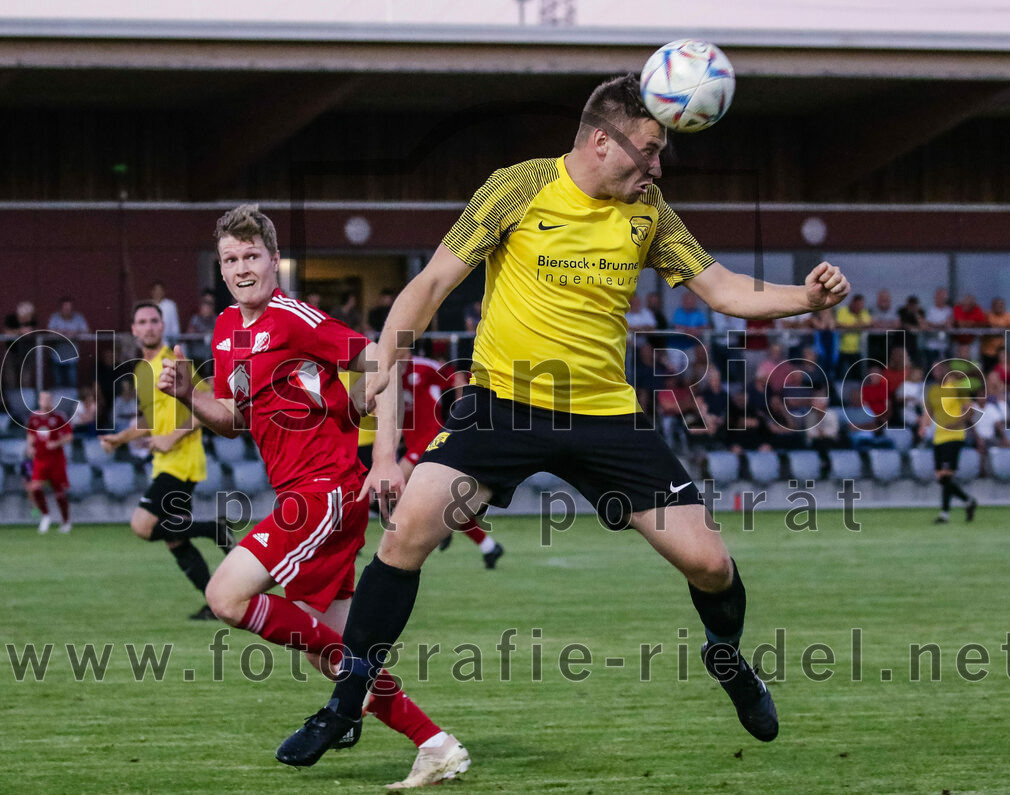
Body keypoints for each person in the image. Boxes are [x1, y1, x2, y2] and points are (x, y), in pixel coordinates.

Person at [277, 74, 851, 766]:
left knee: (710, 564)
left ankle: (727, 657)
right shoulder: (518, 187)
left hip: (605, 414)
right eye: (648, 152)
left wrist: (805, 296)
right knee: (404, 533)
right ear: (601, 143)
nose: (658, 168)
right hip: (502, 405)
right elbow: (429, 283)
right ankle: (345, 705)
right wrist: (383, 361)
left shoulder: (650, 211)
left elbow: (721, 288)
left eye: (662, 153)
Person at [157, 205, 469, 789]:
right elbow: (230, 419)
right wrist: (188, 394)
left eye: (252, 256)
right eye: (230, 259)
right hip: (302, 492)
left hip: (322, 491)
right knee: (332, 647)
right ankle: (436, 744)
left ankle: (355, 702)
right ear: (220, 268)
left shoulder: (294, 317)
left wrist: (384, 459)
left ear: (274, 260)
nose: (242, 268)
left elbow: (384, 361)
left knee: (225, 596)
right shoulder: (226, 329)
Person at [99, 302, 234, 621]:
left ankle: (214, 528)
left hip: (182, 462)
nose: (148, 327)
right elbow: (150, 419)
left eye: (154, 321)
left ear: (162, 326)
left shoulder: (174, 362)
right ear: (133, 330)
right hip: (164, 463)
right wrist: (119, 439)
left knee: (142, 526)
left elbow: (209, 406)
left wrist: (173, 437)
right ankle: (215, 605)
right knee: (174, 539)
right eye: (142, 322)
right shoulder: (141, 370)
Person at [400, 355, 504, 568]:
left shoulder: (422, 366)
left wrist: (461, 404)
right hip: (412, 442)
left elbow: (456, 376)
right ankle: (488, 546)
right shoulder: (386, 371)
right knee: (441, 503)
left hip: (430, 438)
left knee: (399, 483)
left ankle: (426, 536)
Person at [920, 362, 978, 524]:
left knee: (946, 476)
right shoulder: (933, 390)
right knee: (941, 478)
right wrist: (923, 426)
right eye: (934, 369)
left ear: (946, 370)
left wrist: (955, 423)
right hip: (938, 437)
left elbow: (970, 410)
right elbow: (929, 411)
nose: (936, 372)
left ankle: (944, 514)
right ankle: (968, 501)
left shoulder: (957, 387)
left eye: (939, 369)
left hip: (954, 436)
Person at [26, 390, 73, 534]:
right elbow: (30, 434)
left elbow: (69, 436)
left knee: (59, 492)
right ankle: (46, 515)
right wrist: (30, 447)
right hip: (40, 459)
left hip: (56, 460)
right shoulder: (34, 417)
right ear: (39, 401)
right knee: (35, 488)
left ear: (52, 402)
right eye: (44, 399)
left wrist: (57, 443)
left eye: (49, 399)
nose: (46, 402)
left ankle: (65, 521)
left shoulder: (58, 417)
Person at [46, 297, 90, 388]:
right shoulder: (55, 317)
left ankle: (72, 402)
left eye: (69, 308)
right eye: (65, 308)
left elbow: (86, 331)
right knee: (58, 384)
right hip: (56, 357)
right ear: (60, 308)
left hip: (72, 357)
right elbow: (49, 331)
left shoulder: (78, 317)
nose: (67, 310)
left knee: (72, 384)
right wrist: (63, 333)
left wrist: (75, 333)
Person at [150, 282, 181, 346]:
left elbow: (175, 324)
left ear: (163, 292)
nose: (158, 292)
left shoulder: (170, 305)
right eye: (156, 290)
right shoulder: (148, 306)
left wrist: (176, 340)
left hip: (168, 342)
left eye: (160, 290)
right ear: (152, 292)